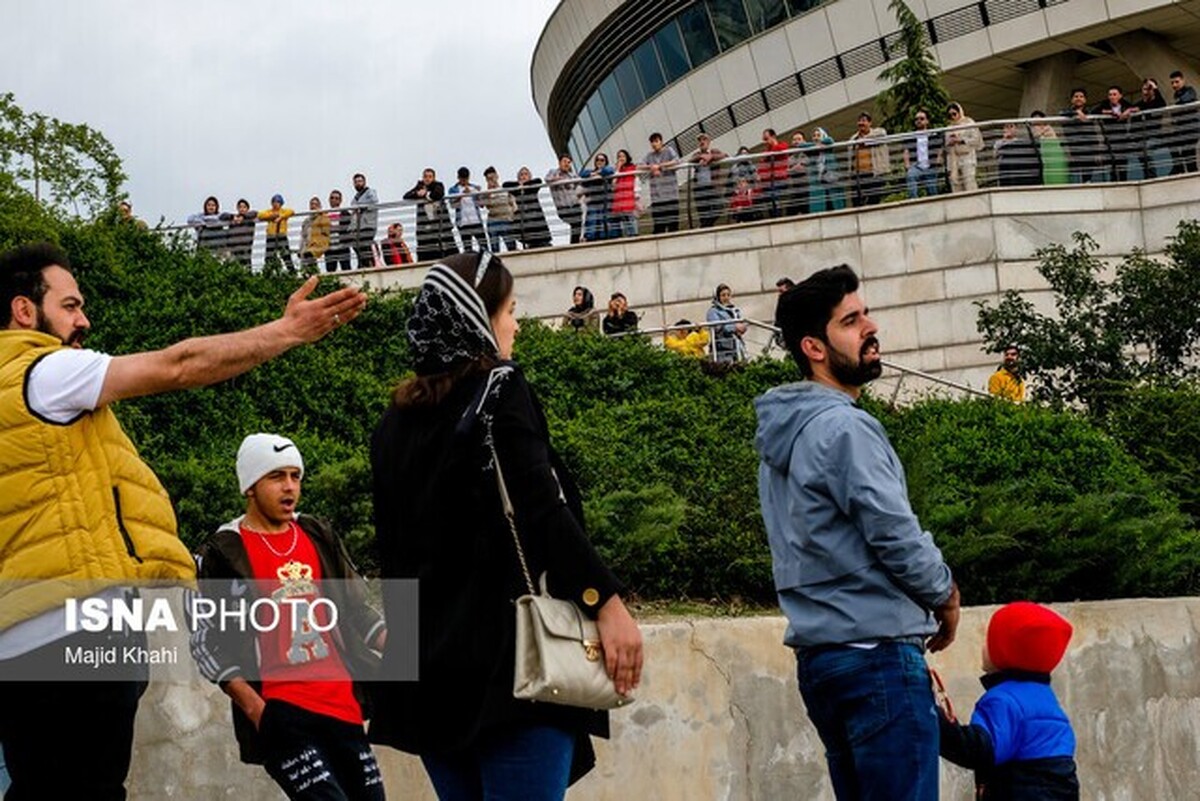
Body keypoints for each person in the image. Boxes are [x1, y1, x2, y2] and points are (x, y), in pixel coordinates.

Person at [0, 242, 367, 800]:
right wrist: (287, 331)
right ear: (25, 312)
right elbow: (180, 365)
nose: (84, 320)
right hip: (76, 627)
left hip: (21, 640)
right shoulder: (43, 371)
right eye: (70, 305)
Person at [368, 250, 643, 799]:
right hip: (510, 668)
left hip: (430, 681)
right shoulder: (500, 389)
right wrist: (606, 603)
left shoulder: (393, 426)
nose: (515, 323)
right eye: (510, 309)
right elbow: (543, 509)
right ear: (477, 316)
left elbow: (393, 553)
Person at [756, 264, 960, 801]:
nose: (870, 327)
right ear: (814, 347)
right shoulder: (845, 426)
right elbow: (894, 531)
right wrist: (945, 593)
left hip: (824, 660)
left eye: (865, 313)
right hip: (876, 660)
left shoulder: (784, 438)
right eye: (851, 321)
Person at [191, 434, 387, 800]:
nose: (290, 487)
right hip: (283, 714)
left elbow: (359, 609)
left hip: (343, 706)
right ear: (250, 485)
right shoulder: (223, 552)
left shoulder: (317, 533)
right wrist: (257, 711)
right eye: (277, 476)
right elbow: (207, 643)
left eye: (295, 476)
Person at [938, 602, 1079, 800]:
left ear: (1007, 649)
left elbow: (979, 750)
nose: (983, 646)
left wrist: (934, 719)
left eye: (989, 640)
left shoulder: (1003, 700)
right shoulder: (1046, 697)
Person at [403, 168, 455, 262]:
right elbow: (406, 196)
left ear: (434, 178)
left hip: (441, 229)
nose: (427, 179)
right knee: (426, 256)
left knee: (449, 256)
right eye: (425, 176)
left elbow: (438, 194)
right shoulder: (419, 186)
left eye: (430, 177)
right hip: (425, 230)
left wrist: (426, 194)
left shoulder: (438, 185)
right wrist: (417, 193)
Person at [1061, 88, 1108, 183]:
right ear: (1072, 100)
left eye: (1081, 96)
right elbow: (1061, 113)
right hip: (1074, 149)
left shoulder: (1090, 113)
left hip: (1089, 149)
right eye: (1076, 96)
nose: (1078, 98)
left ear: (1085, 100)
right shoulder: (1066, 112)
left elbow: (1094, 133)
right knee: (1075, 176)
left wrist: (1098, 151)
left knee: (1088, 177)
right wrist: (1076, 112)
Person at [505, 167, 553, 250]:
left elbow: (538, 180)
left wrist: (525, 185)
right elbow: (505, 185)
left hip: (537, 222)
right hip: (525, 223)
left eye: (526, 174)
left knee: (543, 244)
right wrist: (519, 185)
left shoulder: (532, 188)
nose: (523, 176)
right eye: (521, 175)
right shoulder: (517, 190)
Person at [848, 112, 890, 207]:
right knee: (856, 202)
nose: (861, 123)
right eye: (859, 121)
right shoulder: (854, 138)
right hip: (858, 175)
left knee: (874, 201)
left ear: (870, 123)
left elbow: (883, 133)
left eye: (863, 120)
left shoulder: (877, 132)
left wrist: (864, 140)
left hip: (874, 173)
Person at [643, 132, 681, 233]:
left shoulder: (669, 150)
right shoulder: (649, 155)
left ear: (661, 142)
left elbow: (677, 161)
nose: (654, 144)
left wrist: (659, 166)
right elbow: (639, 166)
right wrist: (652, 167)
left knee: (673, 226)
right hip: (657, 197)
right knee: (658, 227)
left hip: (671, 194)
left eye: (656, 141)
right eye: (652, 142)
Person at [688, 133, 727, 227]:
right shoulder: (697, 154)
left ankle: (704, 226)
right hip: (700, 188)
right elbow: (690, 160)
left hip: (712, 187)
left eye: (704, 139)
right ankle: (706, 226)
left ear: (709, 141)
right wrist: (701, 157)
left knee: (719, 206)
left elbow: (725, 155)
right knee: (703, 212)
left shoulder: (714, 151)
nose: (702, 142)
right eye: (700, 140)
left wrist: (711, 157)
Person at [944, 102, 983, 193]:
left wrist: (961, 140)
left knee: (969, 182)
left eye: (954, 114)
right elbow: (946, 146)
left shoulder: (968, 123)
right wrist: (950, 142)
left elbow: (976, 139)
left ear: (959, 112)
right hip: (953, 159)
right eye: (950, 115)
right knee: (955, 184)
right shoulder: (949, 128)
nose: (952, 117)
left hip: (967, 157)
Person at [904, 108, 942, 198]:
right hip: (916, 166)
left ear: (927, 121)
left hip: (930, 165)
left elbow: (940, 148)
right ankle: (913, 201)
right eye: (916, 119)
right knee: (910, 176)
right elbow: (906, 150)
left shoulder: (933, 135)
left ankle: (934, 206)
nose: (919, 121)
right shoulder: (911, 136)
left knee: (932, 189)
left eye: (921, 119)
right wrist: (907, 165)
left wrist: (938, 160)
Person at [546, 154, 584, 244]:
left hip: (574, 204)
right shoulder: (553, 171)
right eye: (564, 161)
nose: (567, 164)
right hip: (563, 207)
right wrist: (557, 179)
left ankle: (575, 243)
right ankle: (575, 243)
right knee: (575, 223)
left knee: (578, 223)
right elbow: (547, 180)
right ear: (559, 162)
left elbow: (580, 183)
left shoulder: (572, 175)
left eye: (568, 162)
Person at [481, 166, 519, 253]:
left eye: (492, 177)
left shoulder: (505, 189)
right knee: (495, 249)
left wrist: (512, 216)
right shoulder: (486, 192)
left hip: (506, 220)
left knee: (511, 247)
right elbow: (483, 205)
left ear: (497, 176)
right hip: (493, 221)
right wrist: (489, 192)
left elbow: (513, 204)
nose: (491, 180)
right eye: (488, 179)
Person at [449, 167, 487, 253]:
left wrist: (477, 194)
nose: (464, 181)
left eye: (466, 178)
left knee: (484, 247)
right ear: (458, 178)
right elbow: (452, 205)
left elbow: (482, 205)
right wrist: (461, 195)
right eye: (462, 178)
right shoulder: (453, 190)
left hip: (476, 222)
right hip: (463, 224)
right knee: (467, 249)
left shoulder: (475, 188)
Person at [705, 283, 747, 363]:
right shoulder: (713, 311)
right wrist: (734, 327)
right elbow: (717, 326)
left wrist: (743, 328)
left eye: (728, 295)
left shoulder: (734, 310)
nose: (726, 297)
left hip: (736, 346)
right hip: (721, 348)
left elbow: (740, 323)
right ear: (718, 297)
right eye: (723, 295)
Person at [807, 128, 845, 212]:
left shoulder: (828, 149)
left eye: (818, 135)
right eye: (814, 136)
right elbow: (801, 145)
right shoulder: (811, 152)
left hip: (832, 183)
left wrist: (821, 143)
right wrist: (814, 146)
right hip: (818, 186)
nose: (816, 138)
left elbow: (830, 140)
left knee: (835, 207)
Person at [578, 153, 614, 242]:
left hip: (605, 202)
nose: (599, 162)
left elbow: (609, 170)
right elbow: (582, 174)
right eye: (597, 160)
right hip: (593, 202)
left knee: (604, 222)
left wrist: (597, 173)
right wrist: (593, 173)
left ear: (606, 162)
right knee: (592, 222)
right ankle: (590, 239)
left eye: (602, 160)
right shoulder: (591, 172)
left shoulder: (607, 169)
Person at [993, 122, 1041, 187]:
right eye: (1006, 127)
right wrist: (1005, 140)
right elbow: (994, 155)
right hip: (1004, 168)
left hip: (1016, 167)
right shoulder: (999, 142)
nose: (1009, 129)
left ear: (1015, 129)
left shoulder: (1019, 141)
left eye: (1011, 126)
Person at [1169, 70, 1199, 174]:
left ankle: (1191, 173)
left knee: (1188, 154)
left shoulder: (1190, 90)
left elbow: (1186, 101)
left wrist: (1176, 107)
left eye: (1176, 82)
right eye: (1172, 83)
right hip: (1182, 130)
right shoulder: (1176, 95)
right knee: (1171, 142)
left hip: (1191, 129)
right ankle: (1179, 168)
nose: (1174, 85)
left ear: (1183, 81)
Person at [758, 128, 791, 218]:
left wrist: (769, 152)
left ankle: (778, 216)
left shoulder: (781, 145)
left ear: (773, 136)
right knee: (768, 200)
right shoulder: (766, 152)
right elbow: (761, 168)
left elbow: (782, 148)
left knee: (774, 197)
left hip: (779, 180)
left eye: (766, 138)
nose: (765, 142)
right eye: (764, 139)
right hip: (768, 182)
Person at [1030, 111, 1070, 185]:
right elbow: (1035, 136)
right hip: (1045, 156)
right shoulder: (1034, 130)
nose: (1036, 121)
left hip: (1055, 155)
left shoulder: (1048, 127)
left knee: (1058, 175)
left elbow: (1038, 135)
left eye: (1038, 119)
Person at [258, 193, 295, 271]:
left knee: (286, 256)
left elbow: (292, 211)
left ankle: (292, 272)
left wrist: (281, 216)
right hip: (271, 236)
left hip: (281, 235)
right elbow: (260, 215)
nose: (275, 204)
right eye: (274, 202)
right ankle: (267, 273)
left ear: (281, 203)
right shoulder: (269, 211)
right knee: (269, 257)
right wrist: (272, 216)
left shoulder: (283, 211)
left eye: (278, 202)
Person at [351, 173, 380, 269]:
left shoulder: (370, 192)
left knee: (366, 244)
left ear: (364, 182)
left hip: (368, 224)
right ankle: (362, 263)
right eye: (356, 182)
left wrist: (361, 207)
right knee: (357, 245)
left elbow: (374, 202)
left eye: (360, 181)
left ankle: (370, 263)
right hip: (358, 226)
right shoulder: (355, 198)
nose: (358, 183)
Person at [609, 149, 639, 239]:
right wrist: (618, 168)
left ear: (627, 157)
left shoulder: (632, 167)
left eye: (623, 156)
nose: (621, 158)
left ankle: (635, 236)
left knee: (631, 220)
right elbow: (613, 184)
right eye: (619, 156)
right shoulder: (617, 170)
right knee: (625, 222)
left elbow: (637, 181)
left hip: (629, 199)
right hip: (619, 200)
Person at [299, 196, 330, 271]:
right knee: (304, 267)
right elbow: (303, 236)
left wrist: (321, 213)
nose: (313, 206)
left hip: (316, 246)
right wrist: (300, 250)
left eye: (316, 205)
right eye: (312, 204)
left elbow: (326, 232)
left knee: (312, 265)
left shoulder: (323, 218)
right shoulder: (306, 221)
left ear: (319, 206)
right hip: (306, 246)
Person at [325, 189, 353, 273]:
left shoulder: (345, 213)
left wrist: (336, 229)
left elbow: (349, 228)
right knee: (330, 272)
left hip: (343, 246)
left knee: (346, 270)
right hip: (329, 248)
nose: (334, 200)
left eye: (336, 198)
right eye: (332, 198)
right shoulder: (325, 214)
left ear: (340, 200)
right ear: (329, 199)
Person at [227, 198, 259, 269]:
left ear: (247, 209)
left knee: (247, 268)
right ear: (237, 208)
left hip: (245, 248)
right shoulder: (234, 218)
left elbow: (256, 213)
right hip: (233, 249)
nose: (242, 209)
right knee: (233, 269)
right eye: (240, 207)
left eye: (244, 207)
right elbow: (222, 216)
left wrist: (243, 217)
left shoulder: (250, 218)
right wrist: (233, 217)